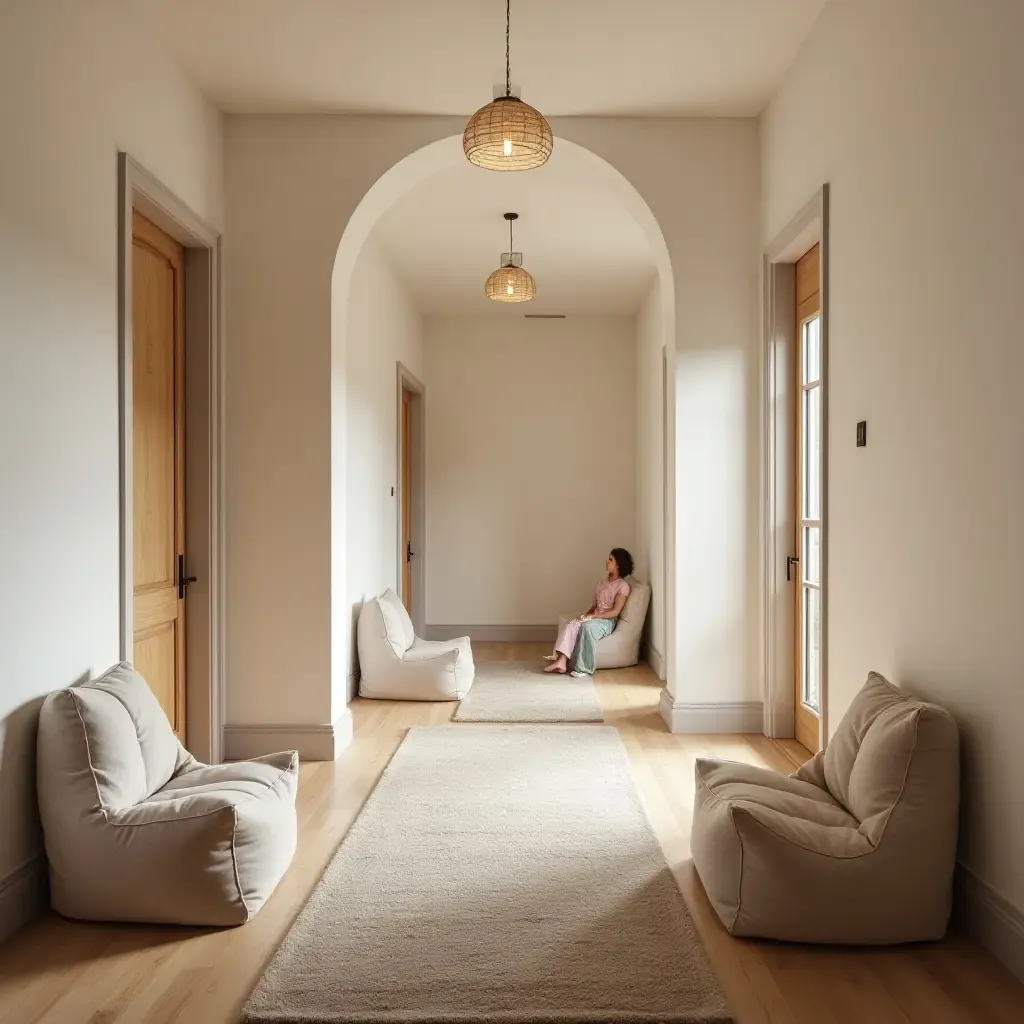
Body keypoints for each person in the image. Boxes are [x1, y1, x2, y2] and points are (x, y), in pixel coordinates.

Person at [544, 548, 633, 677]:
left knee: (587, 628)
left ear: (618, 564)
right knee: (573, 624)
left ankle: (583, 668)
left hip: (607, 621)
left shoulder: (623, 586)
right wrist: (586, 616)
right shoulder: (601, 584)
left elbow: (615, 612)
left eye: (610, 559)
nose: (606, 561)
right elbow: (594, 606)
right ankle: (561, 661)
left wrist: (594, 616)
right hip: (595, 617)